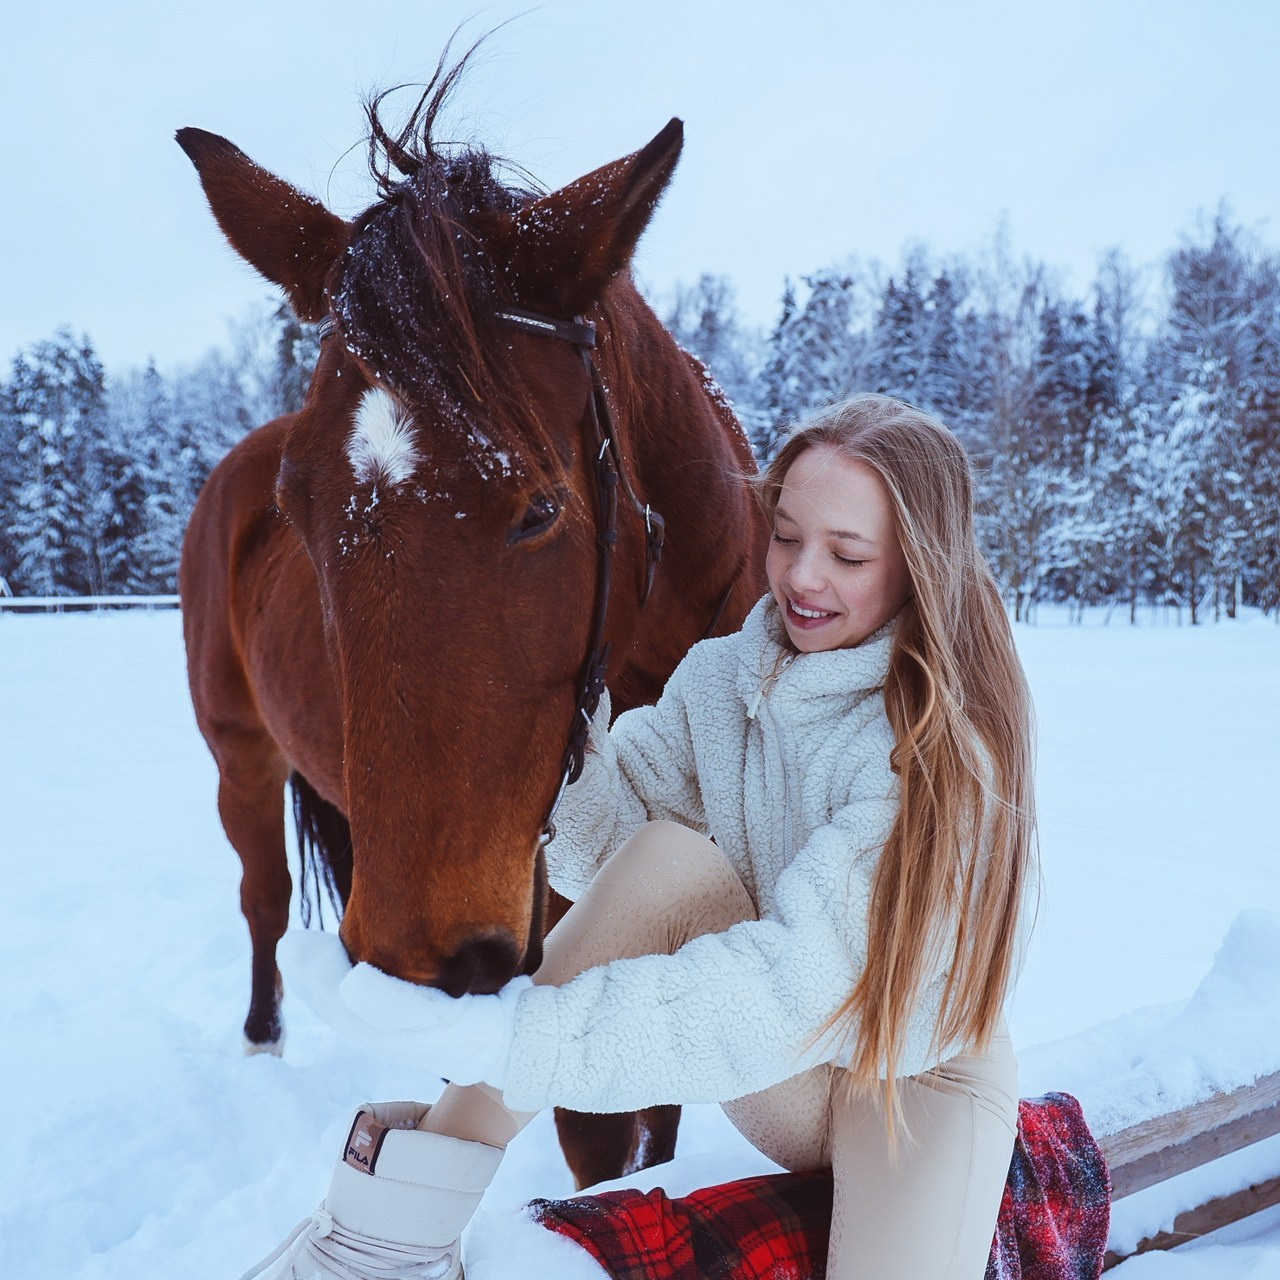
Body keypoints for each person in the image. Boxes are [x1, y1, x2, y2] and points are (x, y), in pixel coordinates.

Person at [250, 393, 1038, 1280]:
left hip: (911, 1083)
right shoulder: (729, 677)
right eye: (784, 536)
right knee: (669, 858)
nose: (802, 577)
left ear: (917, 568)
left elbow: (789, 987)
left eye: (847, 554)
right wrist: (555, 720)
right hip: (793, 1071)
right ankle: (382, 1236)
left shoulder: (934, 747)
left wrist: (521, 1040)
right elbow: (612, 852)